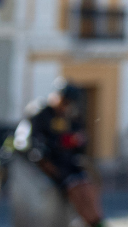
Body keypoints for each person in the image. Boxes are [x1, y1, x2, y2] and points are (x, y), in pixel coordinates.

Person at [23, 81, 106, 227]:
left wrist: (77, 140)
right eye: (64, 101)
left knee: (87, 185)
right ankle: (91, 221)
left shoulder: (68, 115)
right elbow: (36, 142)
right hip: (50, 162)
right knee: (74, 188)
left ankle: (97, 220)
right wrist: (61, 142)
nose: (66, 106)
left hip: (67, 161)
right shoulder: (41, 113)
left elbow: (78, 135)